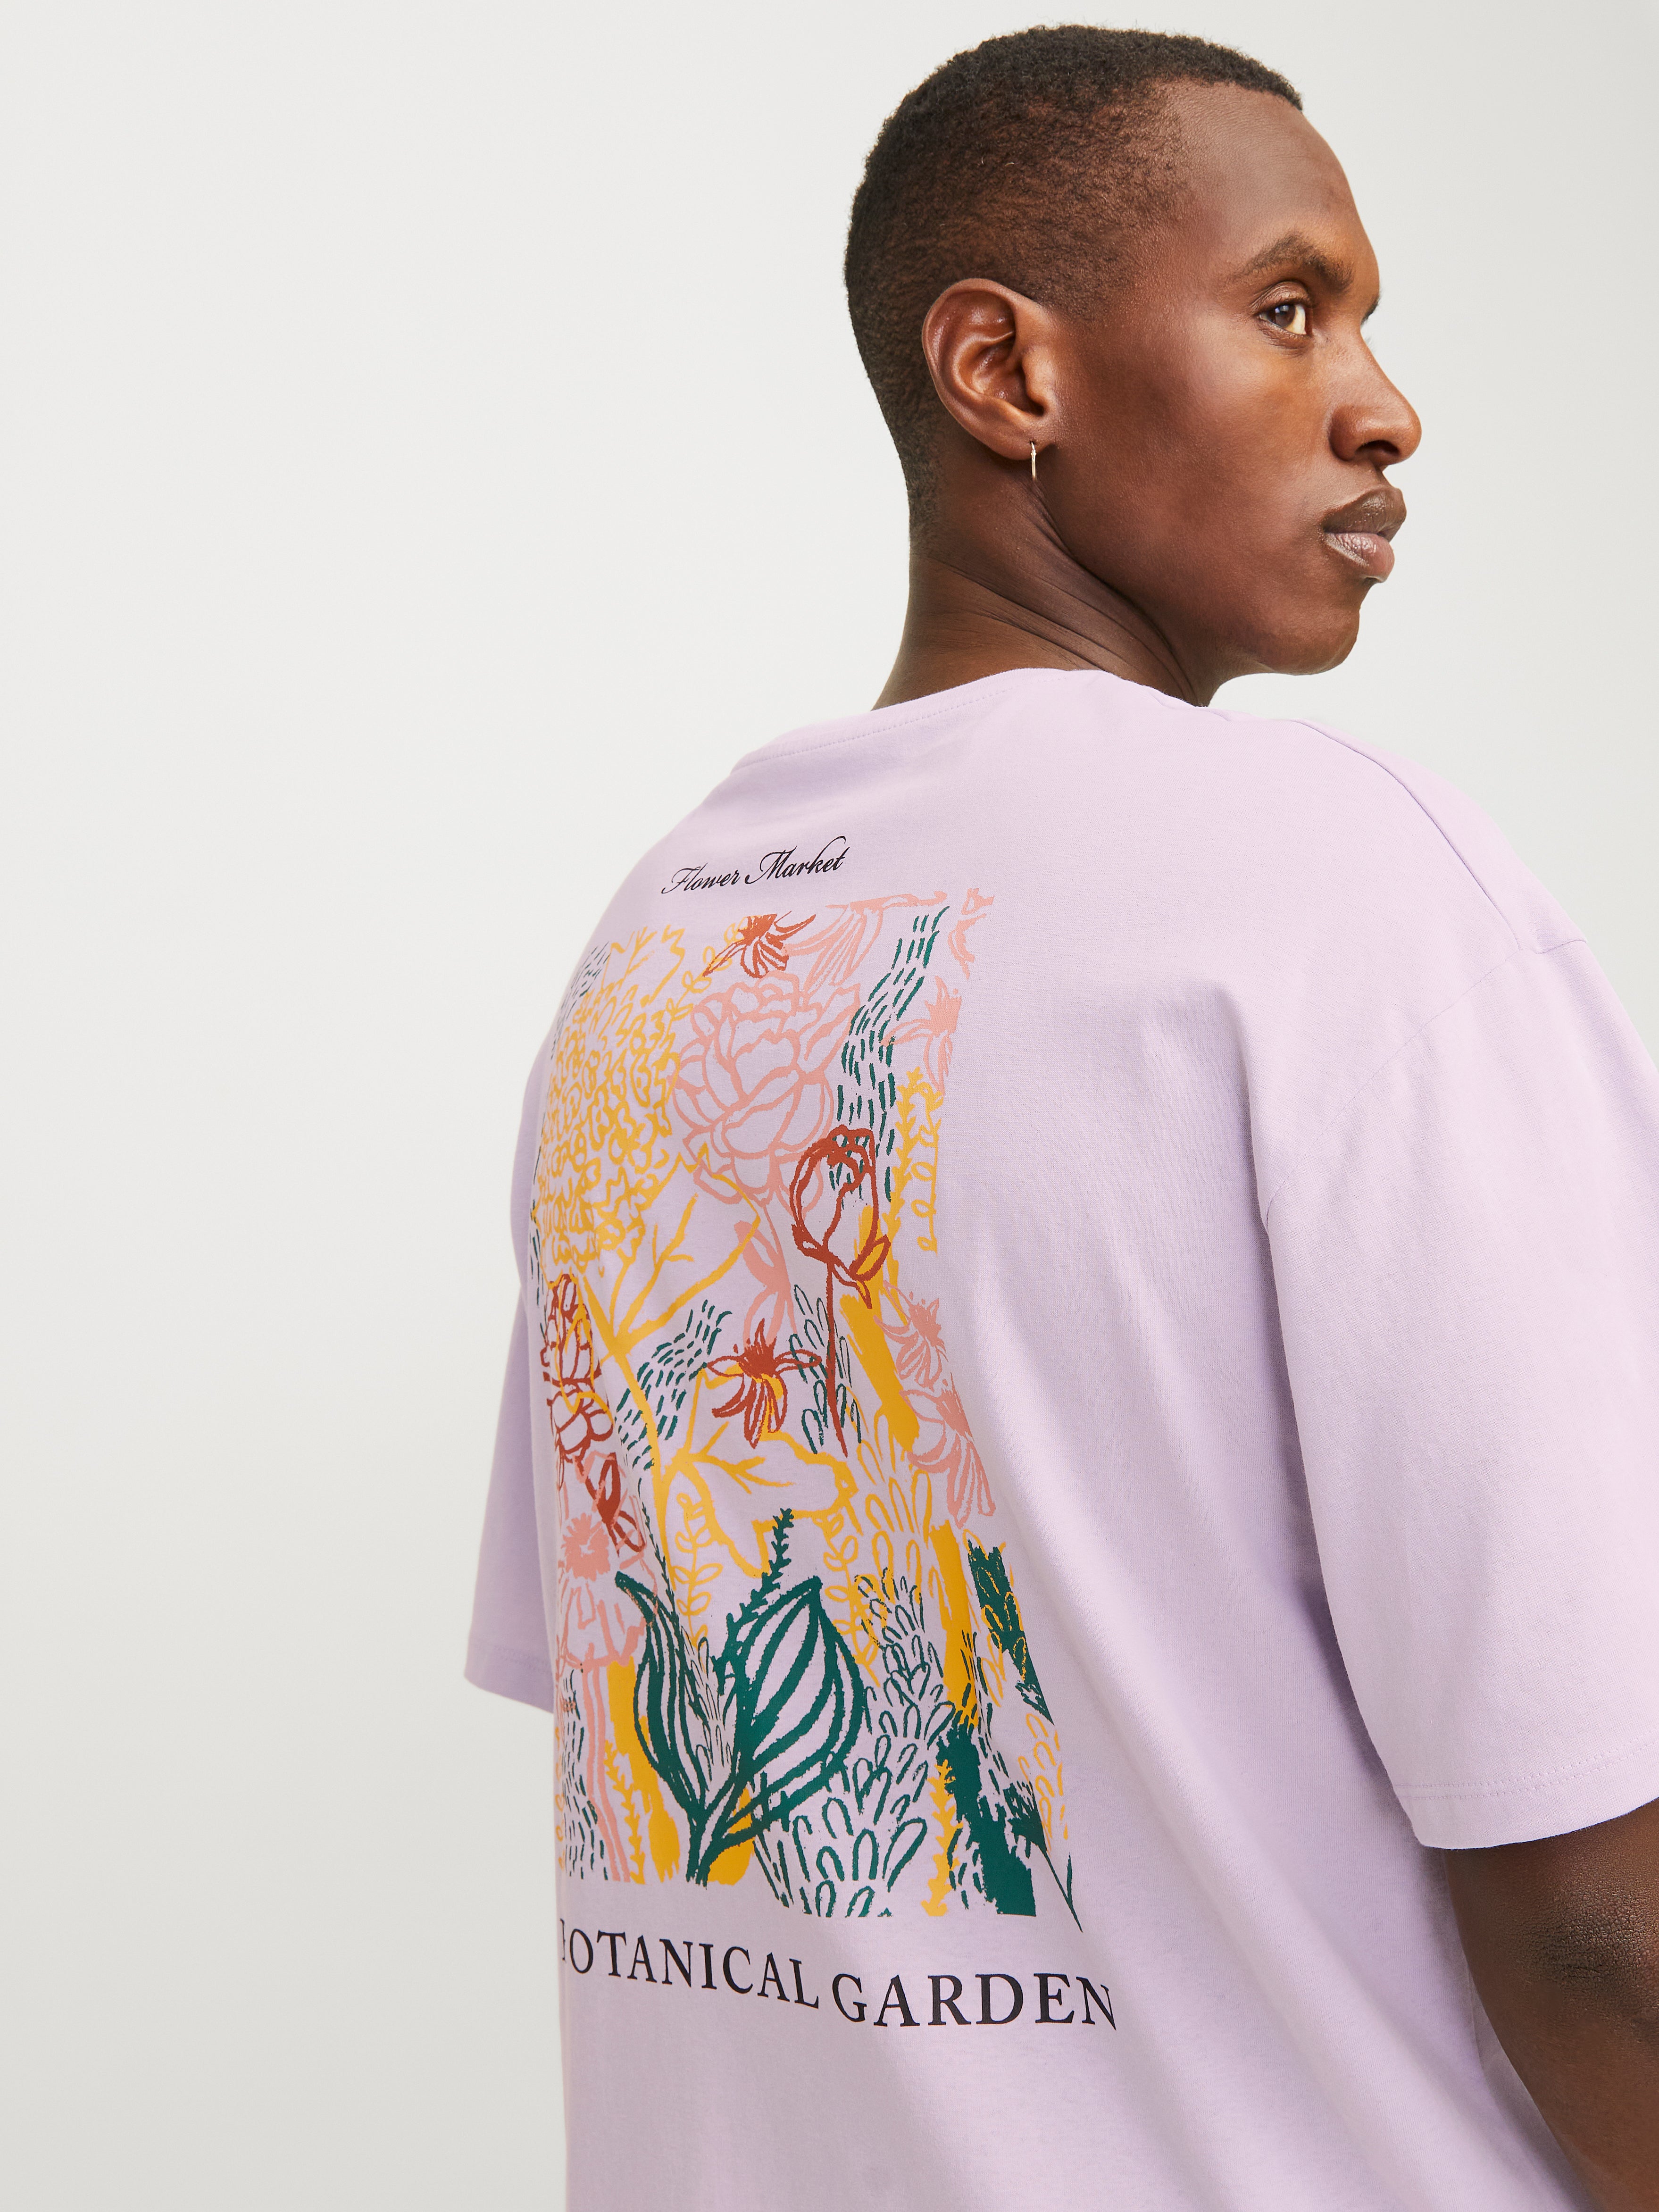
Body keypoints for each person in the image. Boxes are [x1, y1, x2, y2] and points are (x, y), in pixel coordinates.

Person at [467, 27, 1659, 2210]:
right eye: (1287, 309)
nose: (1385, 406)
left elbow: (680, 1753)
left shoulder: (664, 944)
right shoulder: (1346, 890)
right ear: (1006, 372)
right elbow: (1603, 1911)